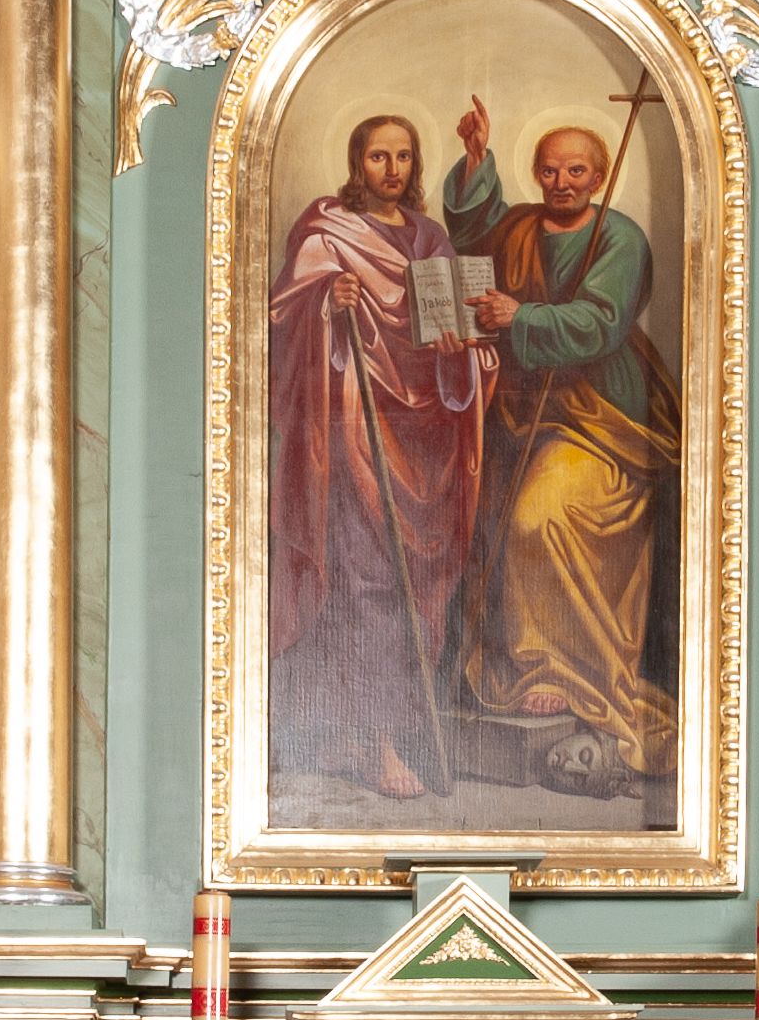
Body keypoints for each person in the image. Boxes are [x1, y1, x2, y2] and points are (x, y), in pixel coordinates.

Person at [442, 100, 679, 783]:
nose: (561, 182)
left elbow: (601, 322)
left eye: (576, 171)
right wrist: (476, 161)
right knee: (477, 514)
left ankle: (557, 668)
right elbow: (475, 232)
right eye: (549, 170)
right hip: (521, 408)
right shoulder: (520, 224)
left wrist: (522, 316)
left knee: (536, 517)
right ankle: (522, 665)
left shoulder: (619, 238)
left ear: (598, 177)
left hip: (602, 417)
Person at [269, 115, 487, 803]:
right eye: (377, 156)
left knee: (416, 594)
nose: (391, 170)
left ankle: (364, 734)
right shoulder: (326, 231)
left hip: (424, 440)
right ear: (355, 161)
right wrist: (324, 305)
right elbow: (279, 324)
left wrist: (460, 353)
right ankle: (375, 743)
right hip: (355, 429)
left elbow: (462, 346)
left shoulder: (430, 240)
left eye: (403, 157)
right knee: (365, 586)